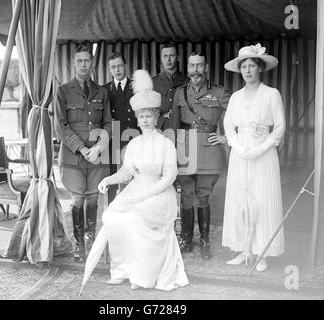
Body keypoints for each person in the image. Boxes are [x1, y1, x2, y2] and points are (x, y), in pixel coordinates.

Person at [96, 69, 189, 291]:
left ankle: (143, 275)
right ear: (137, 119)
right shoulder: (134, 144)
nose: (146, 120)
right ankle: (122, 270)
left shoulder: (165, 143)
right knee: (112, 216)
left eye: (150, 115)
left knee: (136, 216)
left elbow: (170, 176)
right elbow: (127, 172)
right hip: (136, 190)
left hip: (158, 193)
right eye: (142, 116)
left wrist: (147, 194)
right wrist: (109, 180)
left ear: (157, 117)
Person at [222, 43, 285, 272]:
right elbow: (228, 126)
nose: (248, 70)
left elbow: (279, 128)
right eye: (244, 67)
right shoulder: (236, 97)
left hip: (263, 155)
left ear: (260, 68)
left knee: (262, 200)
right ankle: (243, 250)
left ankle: (262, 252)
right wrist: (237, 147)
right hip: (240, 156)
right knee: (240, 201)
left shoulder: (271, 94)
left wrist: (260, 149)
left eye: (252, 66)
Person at [54, 44, 112, 262]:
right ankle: (79, 246)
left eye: (87, 61)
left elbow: (107, 123)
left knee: (93, 199)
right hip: (73, 158)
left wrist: (98, 146)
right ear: (74, 63)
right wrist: (83, 148)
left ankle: (91, 241)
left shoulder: (102, 92)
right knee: (77, 200)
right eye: (79, 61)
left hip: (97, 157)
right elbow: (60, 126)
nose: (83, 65)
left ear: (92, 63)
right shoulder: (63, 91)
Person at [171, 51, 230, 260]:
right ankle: (186, 237)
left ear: (206, 68)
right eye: (191, 66)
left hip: (208, 150)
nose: (195, 70)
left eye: (199, 66)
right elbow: (174, 125)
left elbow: (236, 116)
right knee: (186, 194)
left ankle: (205, 241)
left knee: (203, 194)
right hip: (185, 150)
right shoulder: (180, 93)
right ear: (187, 68)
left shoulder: (220, 92)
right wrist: (172, 152)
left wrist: (225, 136)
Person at [103, 52, 139, 203]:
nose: (117, 70)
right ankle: (112, 215)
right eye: (113, 67)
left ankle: (132, 216)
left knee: (133, 180)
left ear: (125, 66)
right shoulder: (105, 90)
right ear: (110, 69)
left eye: (119, 66)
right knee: (112, 180)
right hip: (113, 142)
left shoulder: (136, 86)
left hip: (133, 140)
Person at [152, 41, 189, 131]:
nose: (168, 60)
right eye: (165, 56)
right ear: (161, 58)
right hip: (161, 129)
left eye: (171, 56)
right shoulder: (153, 83)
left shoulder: (188, 82)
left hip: (182, 128)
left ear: (178, 58)